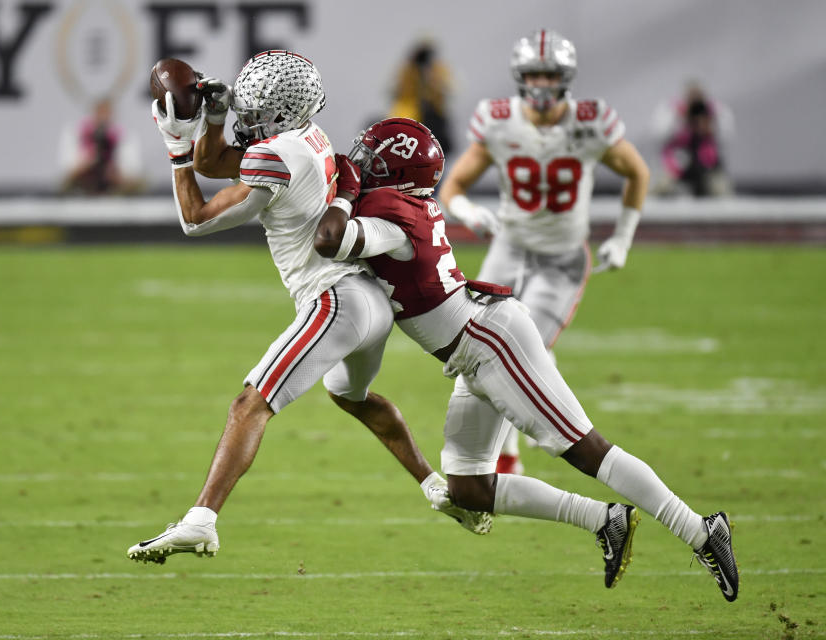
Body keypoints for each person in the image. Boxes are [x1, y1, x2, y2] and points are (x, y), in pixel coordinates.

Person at [313, 117, 738, 601]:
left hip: (490, 342)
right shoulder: (396, 203)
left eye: (373, 161)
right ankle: (605, 521)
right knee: (469, 490)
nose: (362, 166)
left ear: (397, 175)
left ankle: (702, 531)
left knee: (586, 449)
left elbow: (329, 239)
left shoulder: (391, 213)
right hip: (472, 350)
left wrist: (343, 194)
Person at [126, 51, 490, 565]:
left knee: (250, 404)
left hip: (335, 299)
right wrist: (209, 118)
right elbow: (219, 161)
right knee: (351, 395)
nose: (244, 112)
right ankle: (435, 486)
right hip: (369, 303)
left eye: (254, 105)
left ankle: (200, 521)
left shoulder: (273, 155)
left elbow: (195, 218)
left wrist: (175, 150)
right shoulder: (306, 137)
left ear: (279, 111)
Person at [437, 29, 650, 475]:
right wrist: (468, 211)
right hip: (509, 248)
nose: (540, 83)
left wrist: (623, 236)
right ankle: (510, 454)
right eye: (532, 74)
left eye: (548, 73)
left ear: (565, 76)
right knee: (484, 347)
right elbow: (453, 185)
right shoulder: (498, 120)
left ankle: (521, 450)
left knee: (515, 351)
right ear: (519, 77)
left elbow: (637, 171)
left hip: (561, 258)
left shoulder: (590, 121)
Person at [652, 80, 734, 197]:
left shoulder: (715, 111)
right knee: (661, 185)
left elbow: (727, 137)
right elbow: (659, 134)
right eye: (691, 96)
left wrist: (711, 125)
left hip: (707, 163)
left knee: (721, 188)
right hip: (677, 161)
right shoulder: (674, 110)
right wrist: (680, 119)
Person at [59, 98, 143, 195]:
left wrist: (114, 174)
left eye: (106, 113)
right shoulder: (75, 133)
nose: (103, 118)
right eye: (100, 113)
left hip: (115, 195)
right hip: (81, 193)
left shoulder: (124, 136)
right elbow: (66, 172)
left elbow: (133, 175)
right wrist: (87, 163)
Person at [390, 37, 455, 155]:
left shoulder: (437, 70)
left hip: (432, 116)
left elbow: (449, 89)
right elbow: (395, 91)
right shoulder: (407, 72)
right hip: (410, 115)